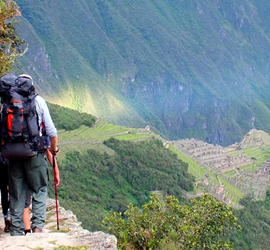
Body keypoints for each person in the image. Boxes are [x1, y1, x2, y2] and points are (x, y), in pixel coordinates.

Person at [7, 74, 60, 236]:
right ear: (31, 85)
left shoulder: (8, 103)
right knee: (39, 189)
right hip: (34, 153)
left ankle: (16, 232)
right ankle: (37, 228)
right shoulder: (38, 101)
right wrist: (54, 149)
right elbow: (51, 131)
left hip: (13, 155)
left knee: (16, 194)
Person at [0, 154, 10, 232]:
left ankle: (7, 216)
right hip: (5, 163)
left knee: (4, 192)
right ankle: (7, 216)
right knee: (5, 192)